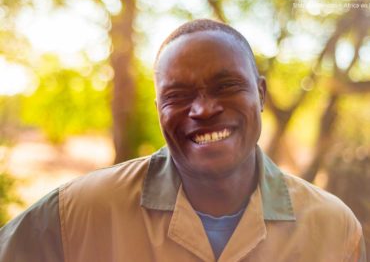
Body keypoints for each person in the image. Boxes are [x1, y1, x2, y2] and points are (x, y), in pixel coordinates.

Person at [0, 19, 366, 262]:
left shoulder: (334, 228)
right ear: (159, 108)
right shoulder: (79, 213)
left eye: (226, 86)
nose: (204, 109)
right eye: (178, 95)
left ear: (262, 93)